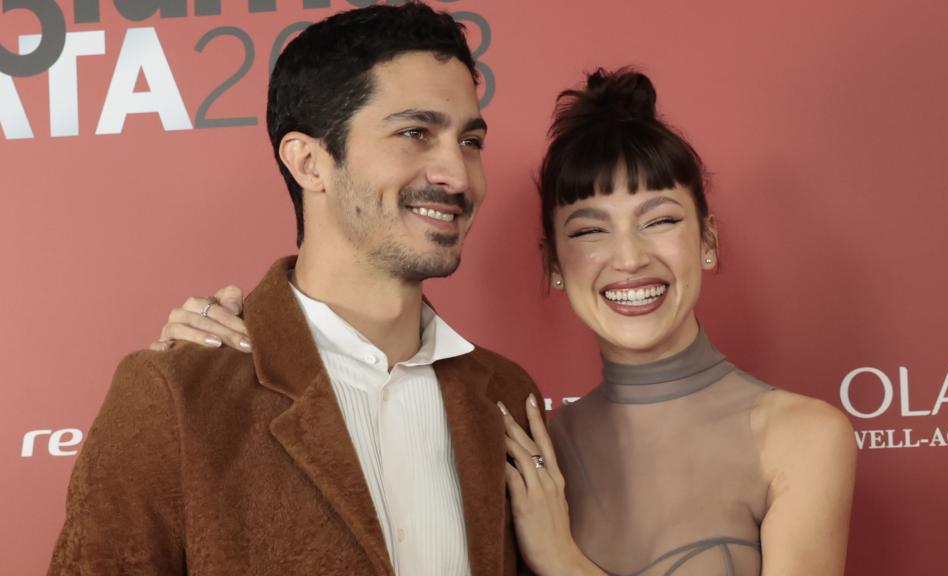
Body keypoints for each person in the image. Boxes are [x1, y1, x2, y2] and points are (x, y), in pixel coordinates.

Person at [160, 68, 858, 575]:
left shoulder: (800, 437)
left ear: (707, 240)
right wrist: (194, 366)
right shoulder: (524, 439)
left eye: (663, 221)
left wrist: (559, 558)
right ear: (552, 264)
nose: (630, 259)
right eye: (589, 231)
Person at [48, 4, 541, 575]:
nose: (459, 175)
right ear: (309, 162)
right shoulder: (176, 394)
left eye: (470, 141)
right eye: (415, 133)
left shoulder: (507, 396)